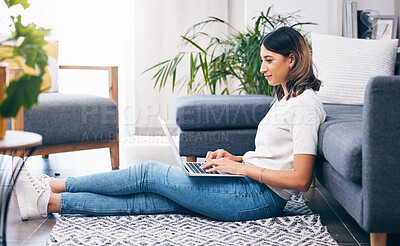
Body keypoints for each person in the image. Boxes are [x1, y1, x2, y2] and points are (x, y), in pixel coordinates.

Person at [14, 26, 326, 222]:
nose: (262, 68)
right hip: (246, 186)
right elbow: (277, 155)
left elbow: (300, 178)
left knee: (149, 173)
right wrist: (235, 158)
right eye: (262, 60)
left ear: (292, 60)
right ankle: (49, 202)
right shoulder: (286, 99)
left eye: (269, 60)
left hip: (257, 198)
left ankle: (52, 185)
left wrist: (244, 169)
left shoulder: (306, 106)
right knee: (149, 200)